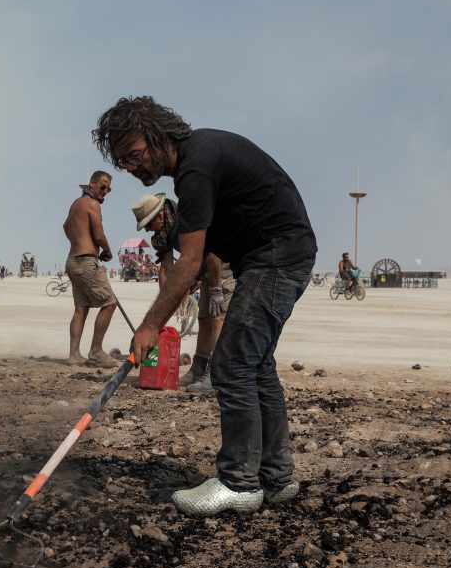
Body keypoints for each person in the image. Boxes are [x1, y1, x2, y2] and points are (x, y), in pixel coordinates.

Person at [94, 96, 317, 515]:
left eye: (136, 156)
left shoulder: (196, 166)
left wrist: (148, 326)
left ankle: (238, 482)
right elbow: (197, 260)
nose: (132, 168)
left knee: (231, 365)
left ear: (160, 138)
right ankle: (276, 477)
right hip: (273, 255)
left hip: (277, 256)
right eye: (124, 162)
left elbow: (193, 260)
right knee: (256, 365)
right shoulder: (198, 162)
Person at [132, 193, 235, 393]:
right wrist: (170, 301)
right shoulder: (163, 235)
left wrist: (215, 288)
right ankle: (198, 368)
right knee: (204, 318)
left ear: (159, 216)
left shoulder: (188, 219)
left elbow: (213, 253)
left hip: (223, 265)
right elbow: (166, 270)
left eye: (147, 223)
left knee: (217, 317)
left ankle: (216, 373)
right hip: (205, 268)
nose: (146, 229)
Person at [62, 171, 119, 368]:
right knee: (110, 303)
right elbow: (100, 234)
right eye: (102, 186)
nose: (105, 191)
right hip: (85, 262)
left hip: (72, 261)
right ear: (91, 184)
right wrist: (107, 250)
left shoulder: (75, 204)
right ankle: (95, 351)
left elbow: (65, 226)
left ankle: (74, 355)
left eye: (108, 189)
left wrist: (80, 242)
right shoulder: (92, 204)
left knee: (81, 309)